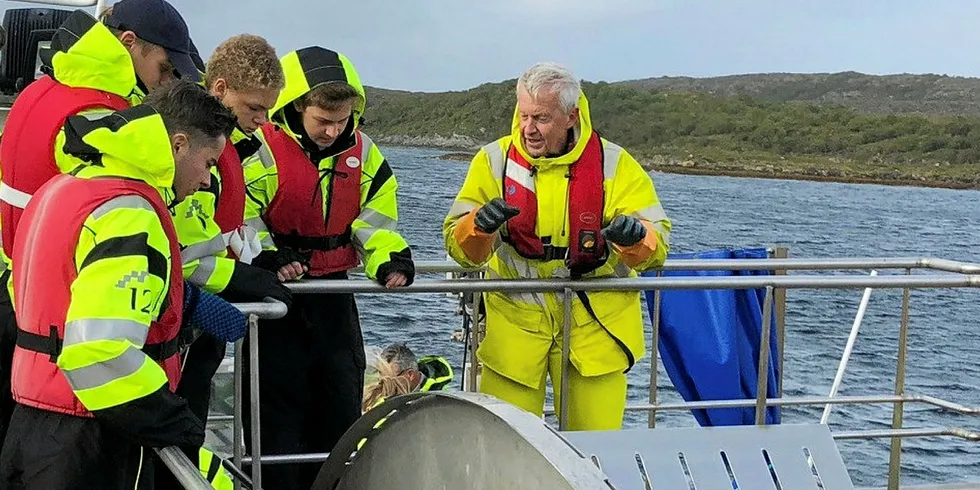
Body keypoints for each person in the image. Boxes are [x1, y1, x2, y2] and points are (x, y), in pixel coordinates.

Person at [0, 80, 240, 489]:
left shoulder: (66, 188)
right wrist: (169, 418)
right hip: (90, 440)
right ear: (179, 145)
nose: (206, 180)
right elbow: (97, 352)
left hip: (30, 423)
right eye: (209, 163)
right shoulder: (130, 213)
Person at [0, 0, 200, 447]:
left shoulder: (39, 93)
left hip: (21, 294)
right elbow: (108, 213)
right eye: (165, 69)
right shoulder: (98, 114)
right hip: (59, 323)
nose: (164, 85)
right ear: (129, 43)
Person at [442, 62, 671, 431]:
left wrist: (635, 238)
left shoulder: (616, 164)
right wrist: (478, 228)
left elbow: (657, 245)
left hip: (596, 333)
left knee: (596, 455)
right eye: (523, 115)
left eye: (541, 118)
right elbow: (457, 242)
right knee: (506, 449)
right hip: (514, 333)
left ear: (571, 116)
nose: (528, 128)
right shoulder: (493, 160)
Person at [241, 46, 416, 489]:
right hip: (274, 301)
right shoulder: (258, 148)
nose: (332, 130)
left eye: (340, 120)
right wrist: (264, 254)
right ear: (297, 106)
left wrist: (388, 259)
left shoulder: (367, 154)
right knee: (274, 420)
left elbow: (376, 221)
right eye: (323, 120)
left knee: (339, 409)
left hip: (334, 298)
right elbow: (238, 212)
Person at [170, 34, 291, 427]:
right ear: (220, 88)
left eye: (268, 110)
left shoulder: (224, 152)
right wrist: (242, 277)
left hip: (206, 313)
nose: (262, 120)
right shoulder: (193, 156)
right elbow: (182, 254)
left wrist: (258, 262)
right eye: (255, 107)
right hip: (186, 320)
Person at [362, 343, 454, 413]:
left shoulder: (439, 399)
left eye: (390, 379)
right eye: (380, 375)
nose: (382, 382)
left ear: (410, 375)